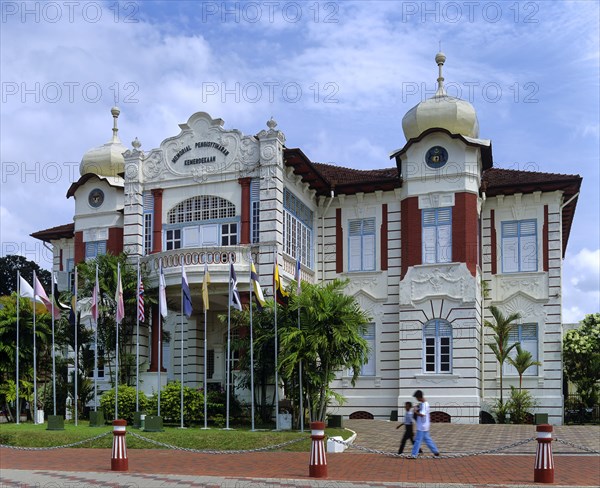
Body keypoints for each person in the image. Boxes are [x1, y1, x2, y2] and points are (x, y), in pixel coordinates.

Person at [410, 390, 440, 457]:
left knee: (417, 440)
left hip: (422, 426)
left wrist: (415, 412)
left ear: (419, 397)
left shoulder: (424, 405)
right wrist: (417, 407)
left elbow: (422, 414)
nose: (416, 399)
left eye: (416, 398)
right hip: (425, 425)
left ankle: (414, 454)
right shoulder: (423, 404)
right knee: (427, 439)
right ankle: (435, 451)